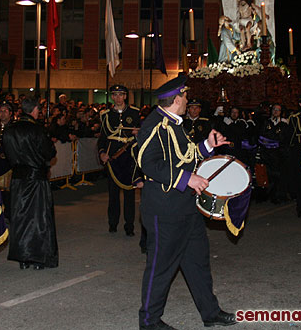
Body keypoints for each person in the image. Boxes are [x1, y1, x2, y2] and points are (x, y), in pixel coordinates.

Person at [136, 74, 236, 329]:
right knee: (161, 268)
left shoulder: (174, 123)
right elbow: (147, 163)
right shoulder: (154, 125)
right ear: (177, 99)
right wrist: (186, 179)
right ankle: (149, 321)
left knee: (197, 263)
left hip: (185, 208)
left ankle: (210, 313)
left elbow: (185, 155)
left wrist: (207, 146)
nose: (188, 98)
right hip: (164, 209)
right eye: (185, 95)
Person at [2, 97, 58, 270]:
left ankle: (22, 257)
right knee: (38, 218)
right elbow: (49, 152)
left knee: (19, 218)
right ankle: (37, 256)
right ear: (34, 110)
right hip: (36, 179)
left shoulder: (9, 130)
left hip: (18, 179)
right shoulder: (37, 130)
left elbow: (6, 152)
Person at [98, 85, 142, 236]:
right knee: (113, 194)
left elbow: (141, 135)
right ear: (112, 97)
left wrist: (138, 133)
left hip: (128, 157)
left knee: (129, 194)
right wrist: (102, 153)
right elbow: (103, 138)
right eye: (114, 95)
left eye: (120, 95)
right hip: (113, 158)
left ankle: (129, 226)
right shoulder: (105, 115)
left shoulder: (134, 113)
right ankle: (113, 223)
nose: (117, 98)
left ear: (125, 96)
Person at [256, 103, 289, 203]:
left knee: (277, 176)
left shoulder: (284, 124)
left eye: (278, 110)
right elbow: (262, 135)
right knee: (266, 175)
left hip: (278, 155)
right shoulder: (266, 122)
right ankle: (264, 195)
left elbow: (283, 138)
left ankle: (277, 196)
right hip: (266, 154)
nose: (275, 111)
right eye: (274, 109)